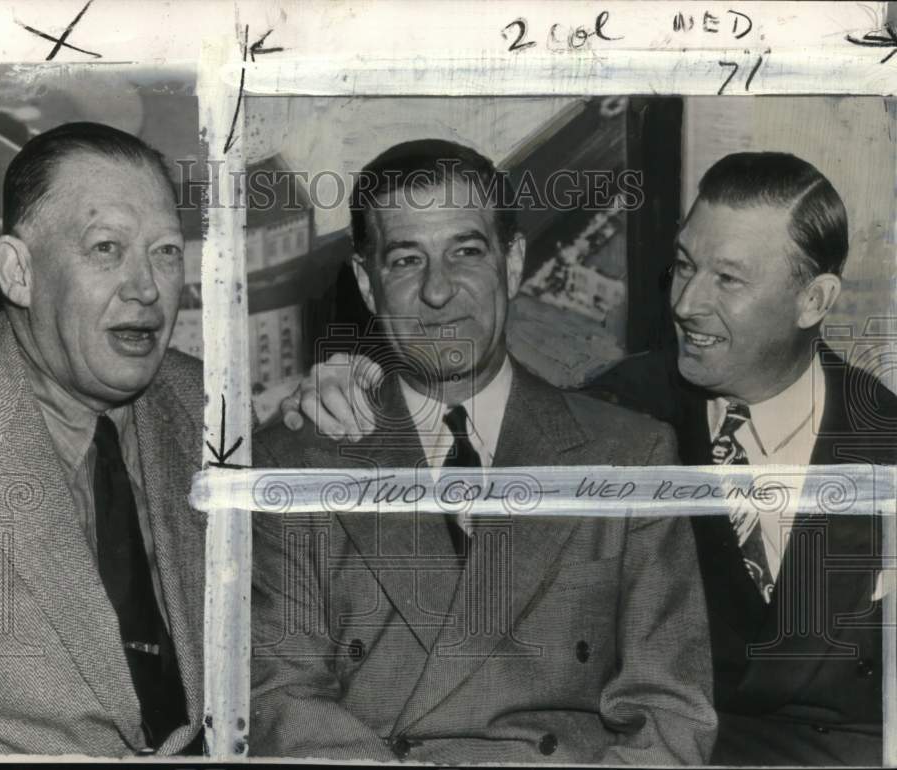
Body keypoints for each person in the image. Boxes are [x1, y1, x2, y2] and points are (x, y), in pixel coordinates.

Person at [283, 151, 895, 765]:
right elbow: (481, 410)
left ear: (814, 300)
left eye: (728, 279)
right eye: (683, 265)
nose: (685, 304)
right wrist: (357, 375)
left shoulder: (886, 443)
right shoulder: (623, 411)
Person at [251, 139, 717, 764]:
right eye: (406, 260)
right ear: (367, 283)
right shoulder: (294, 463)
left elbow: (670, 714)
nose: (439, 292)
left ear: (514, 262)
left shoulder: (629, 456)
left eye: (466, 252)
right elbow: (281, 700)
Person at [0, 122, 206, 756]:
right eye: (106, 248)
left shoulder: (202, 402)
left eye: (166, 251)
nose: (146, 288)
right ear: (18, 272)